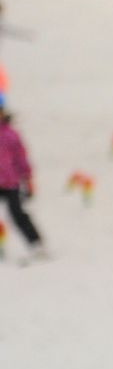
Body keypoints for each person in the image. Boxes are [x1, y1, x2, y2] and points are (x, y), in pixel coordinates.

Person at [0, 108, 45, 261]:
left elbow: (21, 159)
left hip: (11, 182)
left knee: (17, 213)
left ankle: (36, 244)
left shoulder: (10, 135)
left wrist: (28, 179)